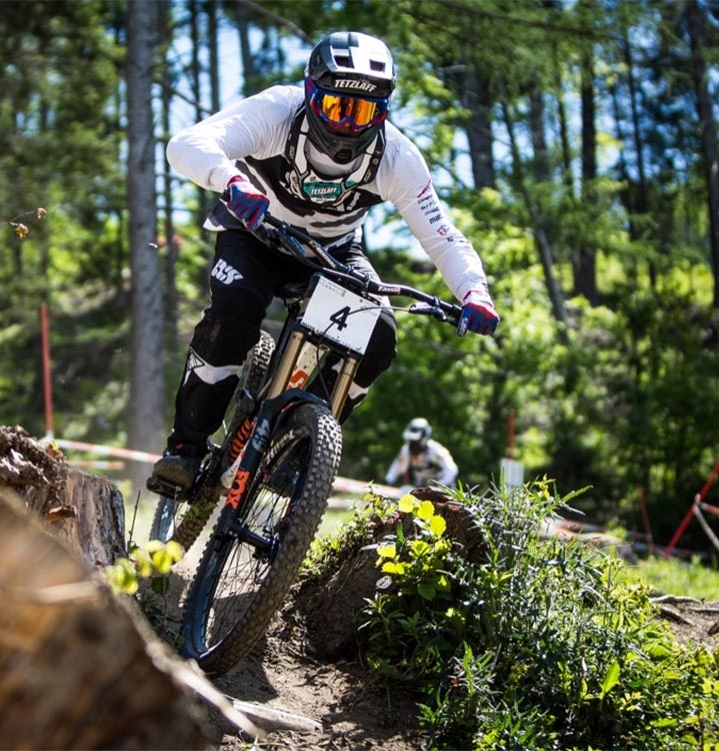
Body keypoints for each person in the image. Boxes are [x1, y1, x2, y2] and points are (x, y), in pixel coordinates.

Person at [150, 31, 499, 490]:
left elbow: (442, 236)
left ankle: (296, 449)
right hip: (255, 232)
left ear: (383, 112)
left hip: (331, 252)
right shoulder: (277, 111)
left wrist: (475, 291)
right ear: (311, 94)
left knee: (379, 336)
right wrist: (231, 180)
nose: (349, 126)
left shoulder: (396, 157)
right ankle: (186, 449)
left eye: (364, 112)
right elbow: (187, 144)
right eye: (338, 107)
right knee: (233, 311)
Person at [384, 417, 458, 489]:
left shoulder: (435, 450)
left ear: (424, 438)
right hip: (421, 487)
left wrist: (442, 485)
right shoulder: (406, 450)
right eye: (411, 441)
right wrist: (388, 480)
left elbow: (451, 469)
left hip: (441, 488)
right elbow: (397, 466)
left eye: (415, 441)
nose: (413, 445)